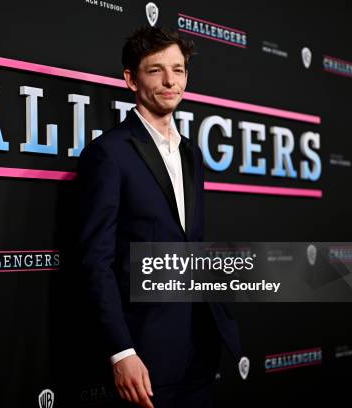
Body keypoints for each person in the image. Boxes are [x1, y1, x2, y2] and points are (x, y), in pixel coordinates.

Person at [77, 27, 241, 407]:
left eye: (178, 70)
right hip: (145, 355)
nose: (170, 81)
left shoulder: (192, 154)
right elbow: (95, 261)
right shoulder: (108, 154)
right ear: (131, 80)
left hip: (200, 349)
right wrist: (122, 352)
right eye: (156, 71)